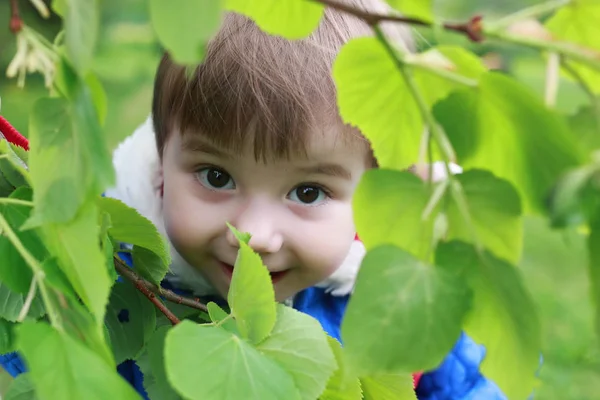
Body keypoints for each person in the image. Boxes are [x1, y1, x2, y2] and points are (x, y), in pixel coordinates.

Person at [0, 1, 509, 398]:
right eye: (217, 177)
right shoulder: (108, 295)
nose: (254, 237)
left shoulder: (395, 308)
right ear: (160, 166)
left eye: (307, 192)